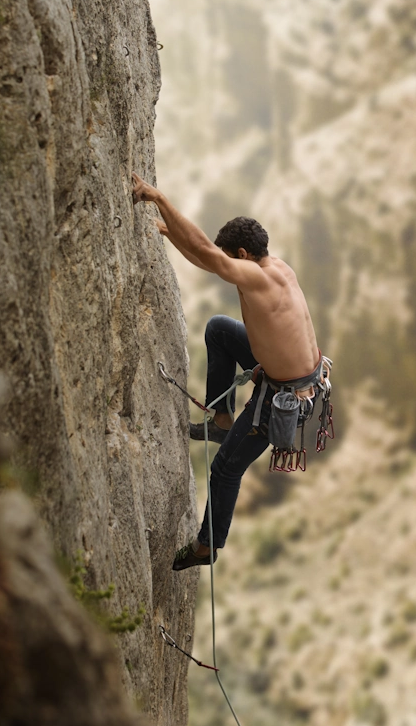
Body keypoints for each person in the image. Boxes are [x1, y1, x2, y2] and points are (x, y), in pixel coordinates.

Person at [131, 171, 321, 570]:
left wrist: (157, 197)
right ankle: (221, 419)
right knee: (220, 329)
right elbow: (206, 257)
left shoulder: (256, 279)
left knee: (225, 470)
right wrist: (170, 233)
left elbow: (206, 252)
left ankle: (206, 547)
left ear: (243, 255)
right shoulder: (277, 268)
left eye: (229, 257)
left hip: (282, 398)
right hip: (290, 374)